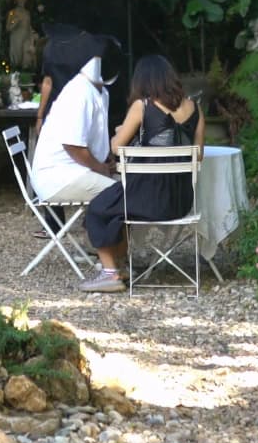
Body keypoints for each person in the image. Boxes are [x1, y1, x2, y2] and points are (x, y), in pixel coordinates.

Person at [76, 55, 206, 293]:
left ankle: (110, 274)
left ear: (143, 82)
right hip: (181, 201)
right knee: (115, 207)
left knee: (97, 209)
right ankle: (122, 264)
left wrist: (119, 134)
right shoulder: (195, 109)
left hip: (148, 197)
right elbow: (197, 155)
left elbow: (116, 148)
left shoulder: (143, 106)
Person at [28, 53, 119, 248]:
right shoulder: (80, 93)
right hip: (57, 177)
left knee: (130, 187)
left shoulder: (101, 92)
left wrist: (106, 159)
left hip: (74, 170)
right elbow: (73, 146)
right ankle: (111, 258)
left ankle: (96, 245)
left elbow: (96, 136)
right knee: (121, 195)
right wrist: (100, 168)